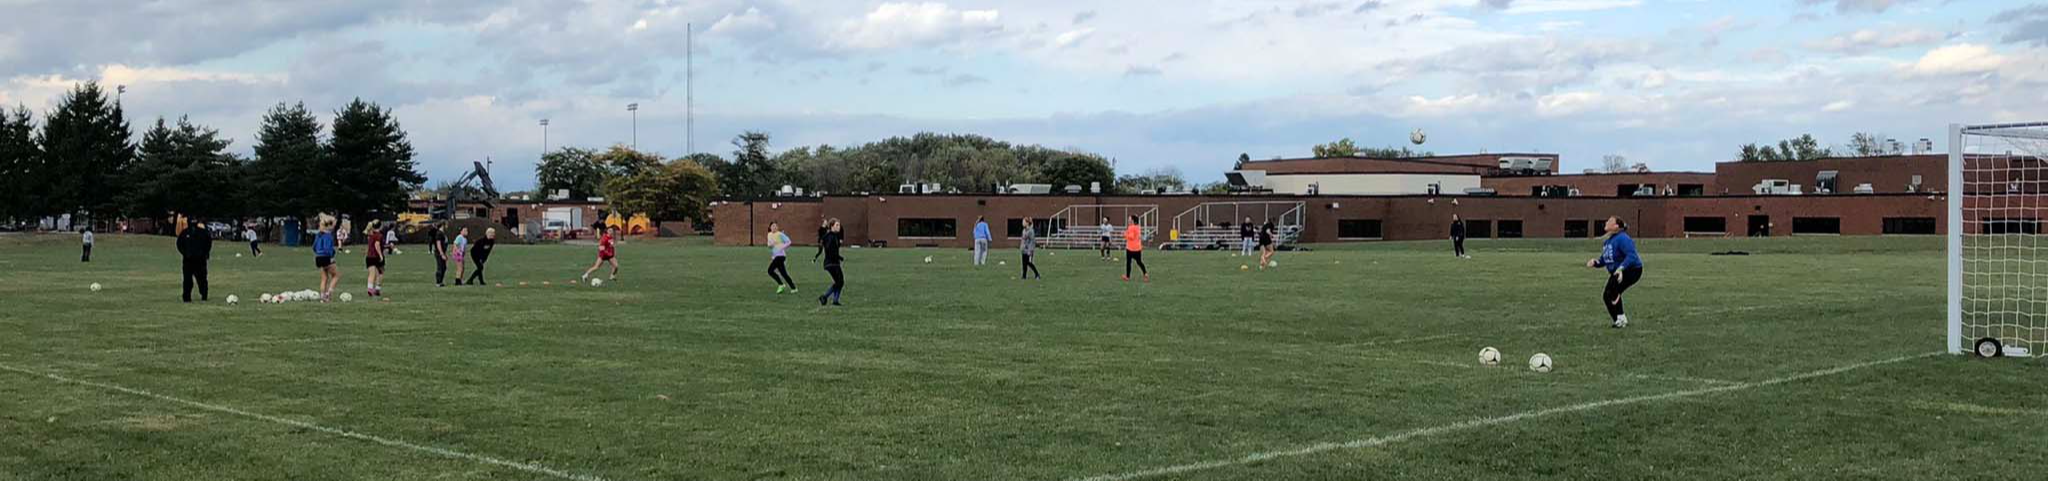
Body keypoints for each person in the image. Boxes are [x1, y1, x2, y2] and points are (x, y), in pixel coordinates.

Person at [1587, 216, 1644, 329]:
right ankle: (1618, 320)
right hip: (1618, 271)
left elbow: (1632, 256)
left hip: (1632, 270)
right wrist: (1596, 262)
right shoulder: (1608, 242)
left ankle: (1621, 318)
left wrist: (1621, 268)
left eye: (1609, 221)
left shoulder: (1623, 238)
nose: (1606, 222)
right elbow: (1605, 260)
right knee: (1606, 295)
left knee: (1613, 289)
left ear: (1616, 226)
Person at [176, 219, 212, 302]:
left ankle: (204, 295)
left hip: (200, 260)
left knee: (202, 279)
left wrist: (205, 253)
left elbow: (208, 243)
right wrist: (185, 253)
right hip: (188, 261)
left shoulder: (203, 233)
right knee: (187, 280)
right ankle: (186, 297)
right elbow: (179, 244)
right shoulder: (184, 233)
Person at [818, 218, 847, 306]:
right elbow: (830, 249)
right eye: (837, 225)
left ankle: (835, 300)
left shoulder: (832, 236)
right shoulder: (831, 237)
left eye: (839, 225)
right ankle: (825, 296)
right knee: (840, 282)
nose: (839, 227)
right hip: (832, 263)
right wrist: (838, 257)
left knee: (839, 282)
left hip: (831, 262)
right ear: (831, 226)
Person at [313, 216, 340, 302]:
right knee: (336, 275)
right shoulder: (328, 236)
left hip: (318, 258)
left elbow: (314, 247)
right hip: (326, 257)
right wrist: (331, 256)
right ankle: (328, 294)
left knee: (324, 278)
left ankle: (322, 297)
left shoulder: (318, 235)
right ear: (329, 226)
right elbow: (328, 249)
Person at [766, 222, 798, 293]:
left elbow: (789, 241)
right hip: (775, 256)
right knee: (784, 273)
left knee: (770, 270)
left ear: (777, 227)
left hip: (781, 256)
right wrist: (771, 245)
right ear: (770, 227)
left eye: (775, 226)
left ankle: (781, 284)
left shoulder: (780, 234)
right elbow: (769, 245)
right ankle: (793, 288)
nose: (774, 227)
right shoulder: (769, 235)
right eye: (772, 226)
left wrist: (782, 247)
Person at [363, 220, 388, 297]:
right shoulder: (379, 235)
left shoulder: (370, 235)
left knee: (371, 273)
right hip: (376, 257)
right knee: (381, 272)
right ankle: (377, 289)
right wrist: (381, 255)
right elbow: (377, 245)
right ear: (380, 226)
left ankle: (370, 289)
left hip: (369, 257)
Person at [1123, 215, 1148, 282]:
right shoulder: (1138, 227)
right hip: (1138, 248)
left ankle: (1127, 277)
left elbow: (1131, 237)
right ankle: (1145, 273)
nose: (1128, 220)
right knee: (1139, 262)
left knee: (1128, 262)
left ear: (1133, 220)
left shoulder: (1131, 227)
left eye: (1129, 219)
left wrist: (1125, 234)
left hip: (1130, 248)